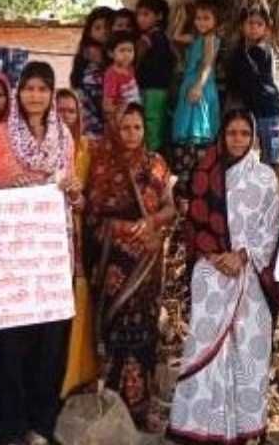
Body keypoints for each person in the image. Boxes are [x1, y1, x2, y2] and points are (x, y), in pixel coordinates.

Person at [0, 61, 77, 445]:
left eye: (43, 89)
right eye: (29, 88)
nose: (35, 96)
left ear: (52, 94)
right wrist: (8, 191)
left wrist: (74, 191)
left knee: (49, 343)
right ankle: (7, 427)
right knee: (8, 342)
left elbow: (70, 191)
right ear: (19, 93)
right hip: (10, 255)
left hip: (50, 253)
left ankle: (40, 423)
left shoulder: (64, 137)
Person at [168, 109, 279, 445]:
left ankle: (246, 426)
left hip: (249, 274)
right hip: (209, 272)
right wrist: (215, 256)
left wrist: (242, 255)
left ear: (254, 137)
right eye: (232, 133)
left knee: (249, 349)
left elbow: (271, 227)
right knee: (206, 347)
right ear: (222, 135)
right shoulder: (205, 174)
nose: (237, 139)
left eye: (244, 133)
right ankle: (203, 426)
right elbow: (194, 224)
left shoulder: (265, 177)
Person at [85, 102, 176, 431]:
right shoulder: (102, 166)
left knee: (146, 330)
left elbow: (170, 207)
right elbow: (93, 216)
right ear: (115, 129)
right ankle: (113, 402)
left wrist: (151, 222)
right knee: (118, 331)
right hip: (115, 264)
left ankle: (142, 405)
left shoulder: (157, 163)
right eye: (125, 127)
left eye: (137, 127)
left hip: (148, 260)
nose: (132, 134)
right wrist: (123, 230)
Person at [55, 88, 97, 397]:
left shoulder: (87, 149)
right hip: (48, 237)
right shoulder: (40, 150)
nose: (64, 117)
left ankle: (77, 373)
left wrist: (85, 201)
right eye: (58, 111)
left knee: (78, 297)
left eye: (70, 111)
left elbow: (100, 192)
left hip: (80, 234)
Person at [225, 4, 279, 170]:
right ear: (241, 26)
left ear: (266, 29)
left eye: (259, 24)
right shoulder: (238, 52)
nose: (254, 27)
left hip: (269, 111)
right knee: (245, 158)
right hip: (249, 110)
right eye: (250, 23)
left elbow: (250, 81)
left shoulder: (262, 51)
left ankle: (276, 195)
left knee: (272, 160)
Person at [172, 0, 222, 179]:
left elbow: (207, 64)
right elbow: (176, 36)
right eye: (198, 18)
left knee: (197, 128)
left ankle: (196, 170)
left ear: (216, 21)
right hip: (189, 83)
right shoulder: (196, 38)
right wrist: (183, 18)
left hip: (201, 85)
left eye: (206, 18)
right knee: (186, 126)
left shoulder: (210, 39)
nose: (201, 22)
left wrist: (198, 86)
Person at [135, 0, 175, 153]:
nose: (140, 19)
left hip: (152, 89)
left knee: (152, 126)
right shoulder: (161, 37)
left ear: (159, 16)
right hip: (155, 89)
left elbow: (136, 61)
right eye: (138, 15)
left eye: (146, 14)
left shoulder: (149, 38)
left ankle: (152, 161)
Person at [70, 7, 114, 139]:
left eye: (107, 27)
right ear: (89, 32)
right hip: (88, 109)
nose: (103, 32)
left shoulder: (120, 53)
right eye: (98, 28)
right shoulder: (86, 53)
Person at [102, 31, 141, 126]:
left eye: (130, 50)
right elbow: (107, 105)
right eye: (122, 50)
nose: (127, 54)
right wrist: (121, 111)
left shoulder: (130, 69)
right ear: (111, 53)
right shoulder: (112, 75)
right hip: (121, 120)